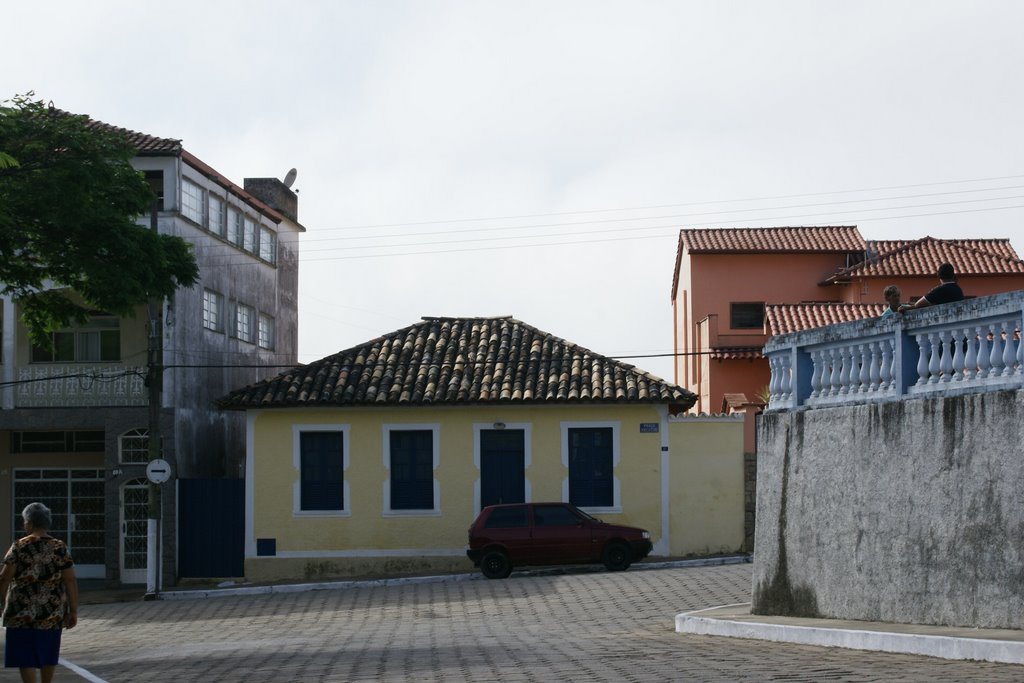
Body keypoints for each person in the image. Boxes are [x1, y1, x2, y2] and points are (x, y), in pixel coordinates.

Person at [0, 503, 78, 683]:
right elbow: (70, 580)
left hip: (21, 612)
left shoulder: (19, 546)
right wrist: (73, 610)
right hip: (51, 611)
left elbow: (5, 578)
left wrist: (0, 601)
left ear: (29, 523)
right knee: (48, 651)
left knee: (24, 654)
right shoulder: (59, 547)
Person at [899, 262, 964, 312]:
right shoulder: (958, 290)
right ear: (953, 275)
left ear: (939, 276)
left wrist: (908, 307)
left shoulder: (939, 290)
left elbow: (918, 305)